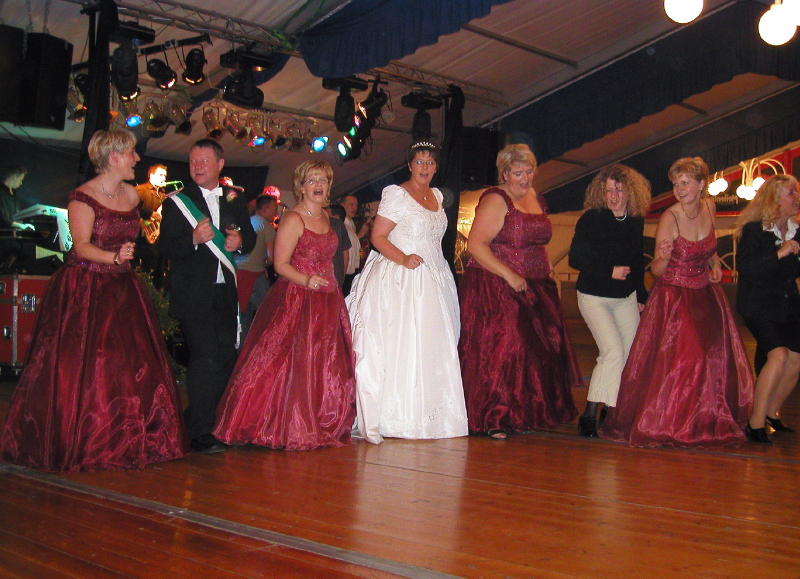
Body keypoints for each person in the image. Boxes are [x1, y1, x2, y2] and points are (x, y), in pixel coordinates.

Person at [0, 129, 187, 471]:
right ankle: (85, 438)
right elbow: (81, 247)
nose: (136, 158)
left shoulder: (131, 195)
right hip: (85, 287)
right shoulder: (82, 199)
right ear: (113, 157)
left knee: (127, 365)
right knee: (87, 364)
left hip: (122, 287)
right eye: (131, 153)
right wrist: (113, 257)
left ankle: (126, 437)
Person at [599, 157, 753, 447]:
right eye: (675, 184)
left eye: (685, 183)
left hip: (706, 294)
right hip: (675, 296)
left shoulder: (710, 207)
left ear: (701, 184)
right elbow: (656, 270)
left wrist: (715, 263)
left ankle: (705, 419)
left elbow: (709, 248)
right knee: (689, 358)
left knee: (714, 358)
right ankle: (674, 422)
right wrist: (665, 256)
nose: (679, 190)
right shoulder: (670, 217)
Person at [213, 161, 356, 450]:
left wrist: (331, 288)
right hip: (298, 296)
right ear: (301, 186)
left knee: (323, 363)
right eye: (312, 180)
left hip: (327, 299)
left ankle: (318, 420)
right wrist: (307, 280)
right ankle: (283, 423)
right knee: (290, 362)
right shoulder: (293, 218)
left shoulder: (327, 218)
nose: (318, 185)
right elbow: (280, 265)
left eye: (323, 180)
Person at [346, 141, 468, 444]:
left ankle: (434, 416)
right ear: (410, 165)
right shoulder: (396, 194)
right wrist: (403, 258)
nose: (425, 167)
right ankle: (397, 416)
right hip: (403, 276)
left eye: (430, 162)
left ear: (436, 167)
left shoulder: (437, 196)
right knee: (404, 344)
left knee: (432, 346)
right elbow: (378, 236)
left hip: (435, 277)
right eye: (419, 162)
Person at [458, 144, 579, 439]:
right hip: (498, 284)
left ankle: (528, 412)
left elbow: (537, 242)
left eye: (528, 171)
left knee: (538, 352)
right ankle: (495, 416)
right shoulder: (496, 199)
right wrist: (509, 275)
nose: (524, 178)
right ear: (505, 173)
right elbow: (476, 245)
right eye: (517, 173)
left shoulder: (535, 196)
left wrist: (548, 269)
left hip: (536, 284)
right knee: (506, 350)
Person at [158, 139, 256, 454]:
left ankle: (209, 423)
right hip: (193, 294)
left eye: (204, 161)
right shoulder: (178, 202)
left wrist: (240, 242)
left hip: (225, 293)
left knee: (226, 358)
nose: (198, 166)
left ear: (220, 165)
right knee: (204, 359)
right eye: (193, 161)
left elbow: (250, 237)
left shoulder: (234, 198)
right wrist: (193, 238)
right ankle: (200, 433)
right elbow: (164, 247)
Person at [568, 165, 651, 437]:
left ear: (631, 192)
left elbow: (637, 260)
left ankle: (611, 410)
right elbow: (576, 258)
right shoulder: (592, 219)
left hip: (625, 297)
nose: (613, 196)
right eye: (608, 191)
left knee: (629, 354)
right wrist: (609, 270)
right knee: (612, 352)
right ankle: (589, 414)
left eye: (619, 190)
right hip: (594, 295)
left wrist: (640, 295)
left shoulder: (635, 220)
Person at [735, 174, 800, 443]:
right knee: (779, 356)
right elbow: (747, 268)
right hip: (758, 304)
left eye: (796, 192)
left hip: (787, 305)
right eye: (791, 193)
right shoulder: (755, 230)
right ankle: (755, 422)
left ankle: (772, 412)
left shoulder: (796, 230)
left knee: (795, 359)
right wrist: (780, 253)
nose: (797, 197)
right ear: (775, 199)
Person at [341, 194, 368, 294]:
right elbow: (346, 245)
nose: (355, 208)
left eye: (356, 205)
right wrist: (360, 235)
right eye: (351, 204)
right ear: (342, 205)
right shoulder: (341, 223)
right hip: (345, 271)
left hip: (352, 269)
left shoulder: (351, 223)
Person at [328, 203, 352, 288]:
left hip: (335, 275)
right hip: (338, 276)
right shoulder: (341, 226)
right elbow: (346, 255)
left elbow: (346, 254)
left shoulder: (338, 225)